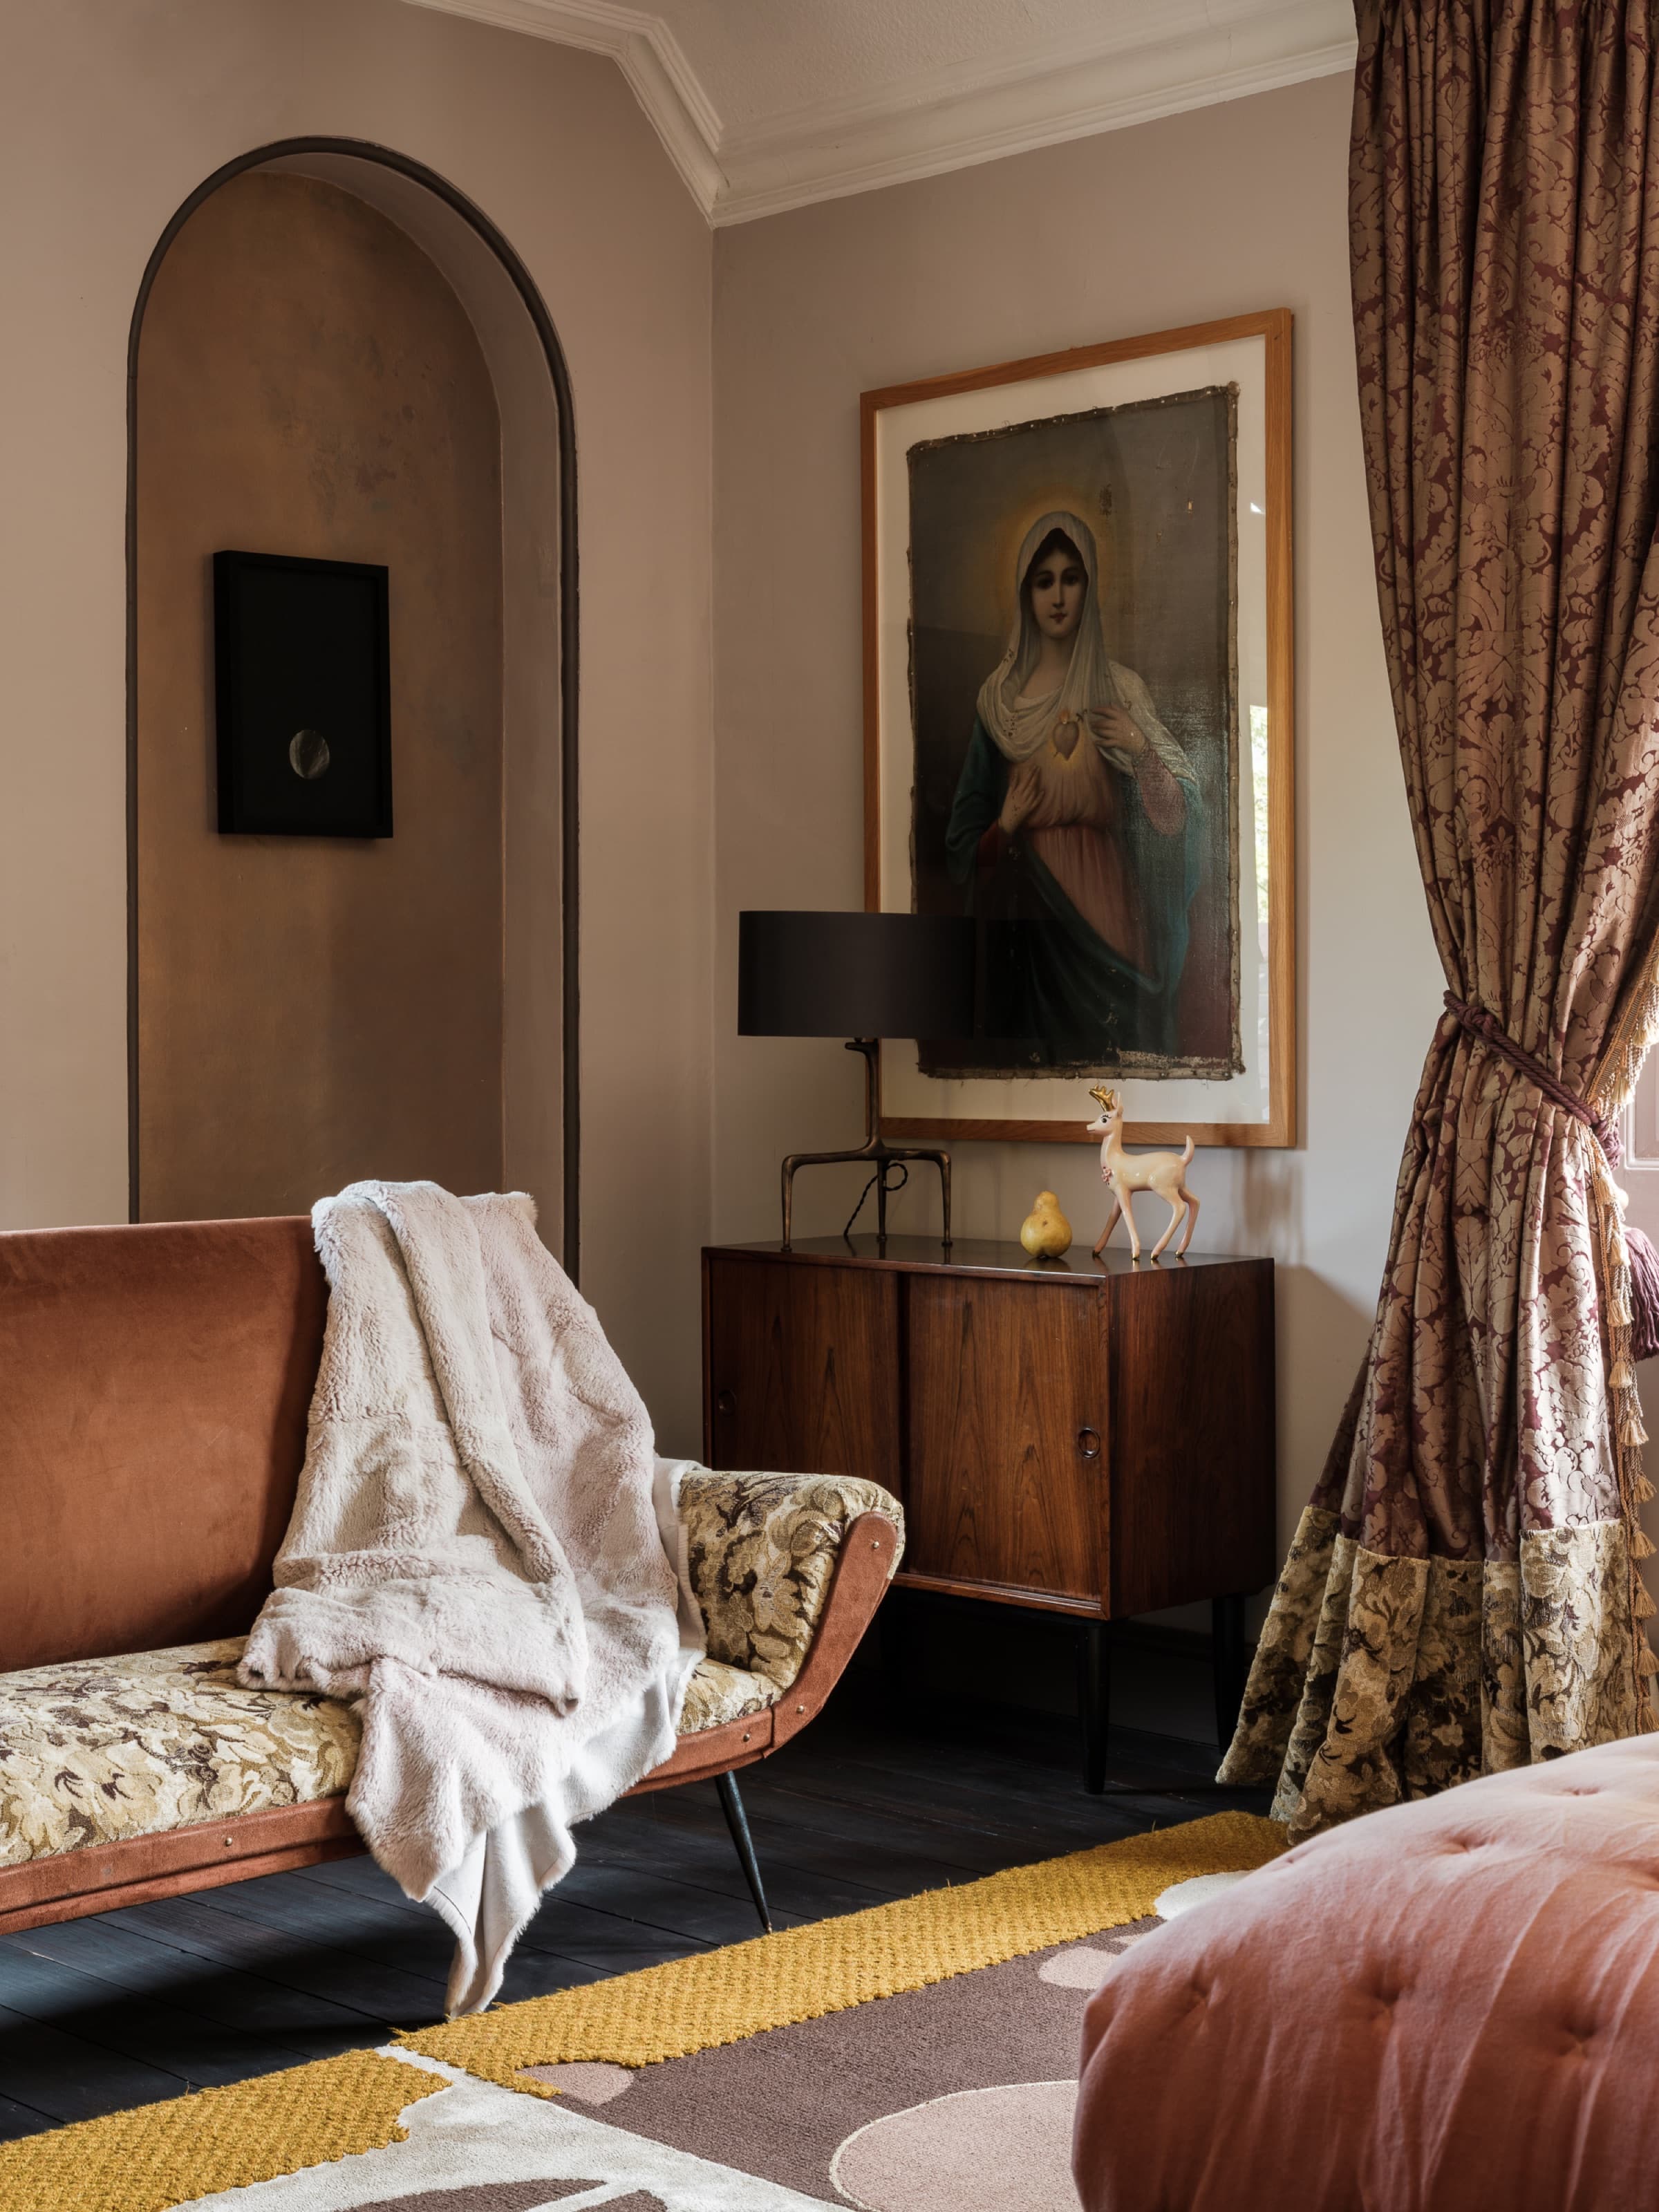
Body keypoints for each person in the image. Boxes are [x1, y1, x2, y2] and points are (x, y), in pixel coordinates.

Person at [944, 510, 1201, 1062]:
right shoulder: (999, 704)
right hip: (1033, 926)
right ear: (1024, 594)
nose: (1058, 596)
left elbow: (1179, 819)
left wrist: (1139, 748)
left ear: (1090, 588)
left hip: (1112, 916)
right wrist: (1007, 824)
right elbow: (962, 847)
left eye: (1071, 578)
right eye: (1043, 581)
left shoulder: (1120, 689)